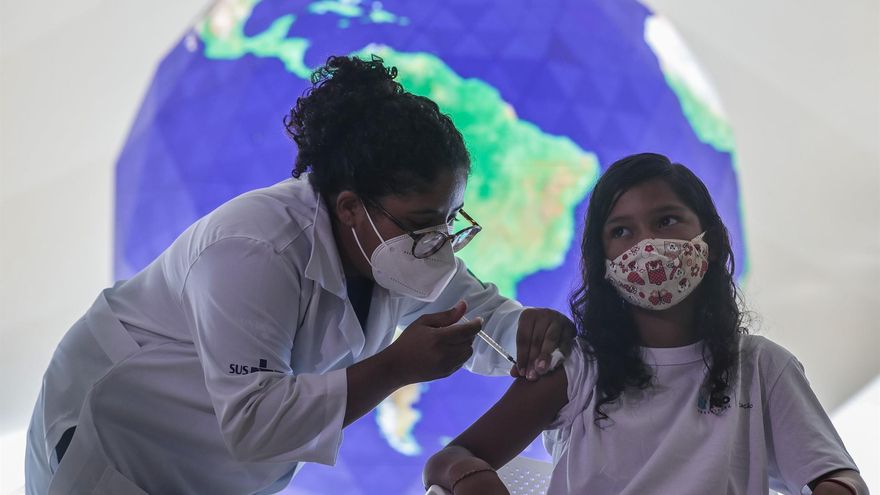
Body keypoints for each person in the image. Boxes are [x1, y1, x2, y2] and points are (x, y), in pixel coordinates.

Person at [25, 55, 574, 494]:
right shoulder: (254, 248)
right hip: (121, 442)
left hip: (219, 470)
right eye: (422, 224)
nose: (439, 244)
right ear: (350, 207)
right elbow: (256, 422)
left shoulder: (393, 244)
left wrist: (526, 332)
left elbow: (482, 315)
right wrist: (395, 367)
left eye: (450, 220)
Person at [423, 153, 868, 495]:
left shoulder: (760, 367)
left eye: (666, 221)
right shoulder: (579, 369)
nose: (647, 244)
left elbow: (835, 476)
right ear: (602, 262)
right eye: (621, 231)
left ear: (708, 239)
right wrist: (469, 476)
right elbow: (451, 458)